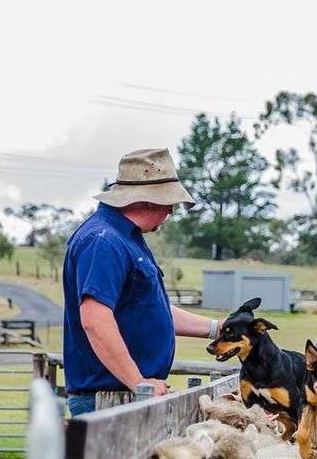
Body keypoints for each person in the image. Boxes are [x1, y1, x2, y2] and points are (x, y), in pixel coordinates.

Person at [62, 148, 222, 416]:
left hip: (125, 395)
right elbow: (95, 319)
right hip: (109, 399)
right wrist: (138, 382)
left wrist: (218, 329)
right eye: (169, 202)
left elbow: (151, 312)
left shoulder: (126, 239)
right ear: (147, 200)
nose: (171, 211)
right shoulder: (103, 241)